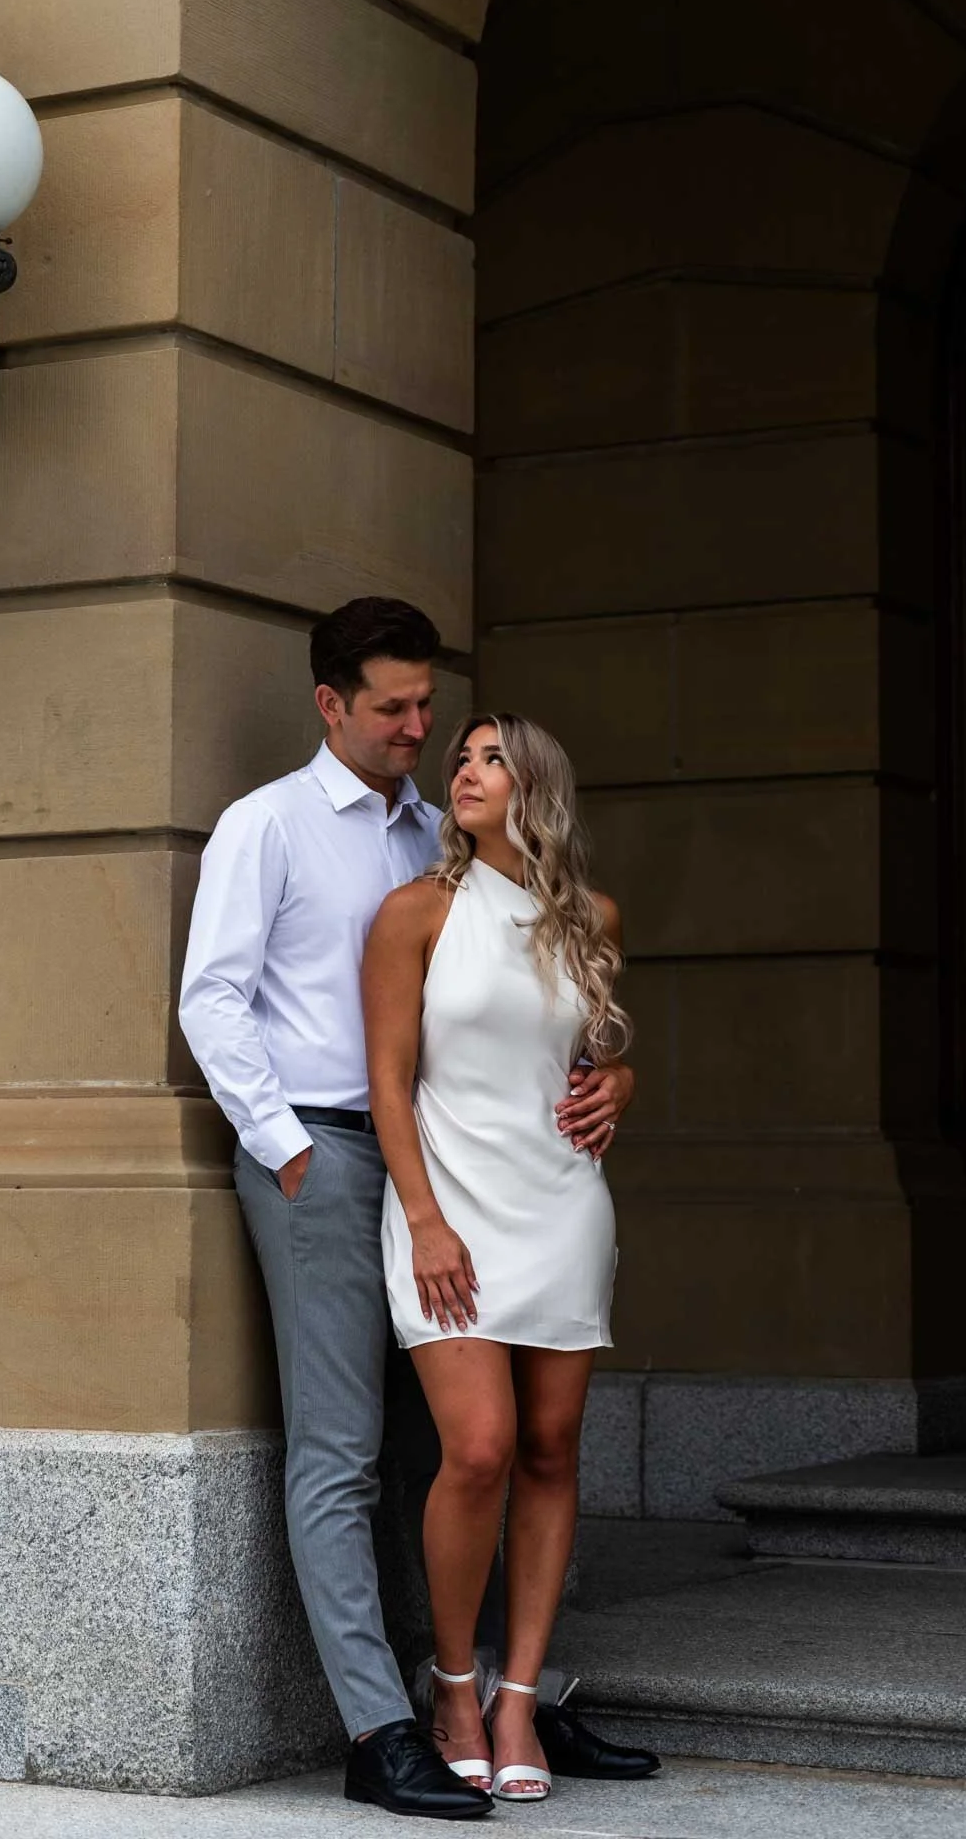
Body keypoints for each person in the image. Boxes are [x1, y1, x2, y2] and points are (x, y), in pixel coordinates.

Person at [178, 600, 645, 1819]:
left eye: (426, 707)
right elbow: (213, 1000)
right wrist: (286, 1153)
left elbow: (538, 996)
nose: (417, 727)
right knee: (343, 1449)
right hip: (328, 1154)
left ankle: (506, 1693)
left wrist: (617, 1075)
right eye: (392, 708)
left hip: (467, 1166)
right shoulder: (265, 826)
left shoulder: (443, 835)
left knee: (462, 1452)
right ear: (329, 703)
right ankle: (381, 1726)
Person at [363, 713, 635, 1803]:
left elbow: (596, 1058)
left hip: (561, 1206)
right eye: (460, 757)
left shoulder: (593, 920)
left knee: (552, 1449)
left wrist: (624, 1085)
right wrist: (424, 1220)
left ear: (536, 788)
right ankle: (455, 1684)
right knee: (476, 1448)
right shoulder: (413, 914)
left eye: (487, 758)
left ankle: (521, 1697)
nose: (461, 771)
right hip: (450, 1206)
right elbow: (387, 1082)